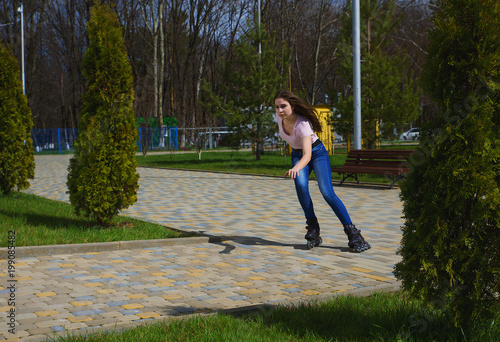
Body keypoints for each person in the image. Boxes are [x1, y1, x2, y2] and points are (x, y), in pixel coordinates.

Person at [274, 90, 370, 252]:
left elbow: (308, 154)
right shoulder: (279, 118)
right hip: (297, 154)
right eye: (277, 107)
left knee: (326, 192)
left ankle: (353, 232)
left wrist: (296, 167)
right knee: (301, 187)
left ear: (293, 105)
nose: (280, 110)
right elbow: (300, 152)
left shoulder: (303, 124)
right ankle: (313, 227)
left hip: (316, 153)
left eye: (283, 106)